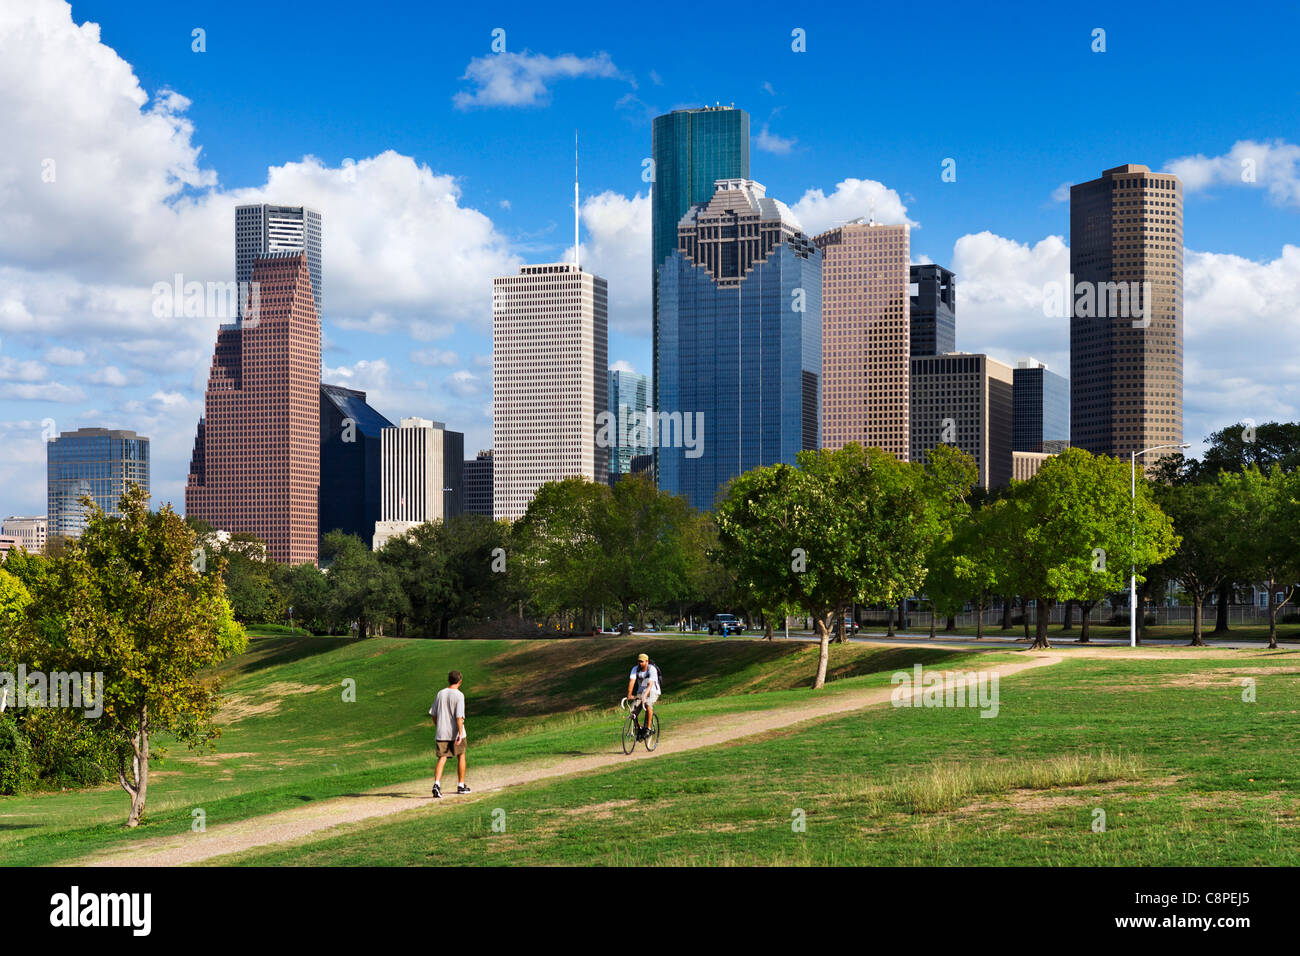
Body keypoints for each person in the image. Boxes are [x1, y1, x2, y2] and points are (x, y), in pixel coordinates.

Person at [429, 670, 470, 798]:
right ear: (460, 681)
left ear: (448, 680)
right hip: (455, 732)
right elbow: (459, 717)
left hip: (442, 732)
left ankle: (436, 784)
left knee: (442, 757)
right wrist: (459, 733)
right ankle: (461, 785)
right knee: (461, 755)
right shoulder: (459, 695)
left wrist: (439, 726)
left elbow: (433, 714)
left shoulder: (440, 693)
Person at [625, 653, 660, 740]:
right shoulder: (635, 669)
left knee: (648, 704)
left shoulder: (652, 669)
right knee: (632, 711)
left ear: (647, 662)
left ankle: (648, 728)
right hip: (641, 691)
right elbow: (632, 681)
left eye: (642, 662)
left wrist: (644, 697)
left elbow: (650, 684)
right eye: (638, 661)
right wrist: (629, 695)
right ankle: (639, 729)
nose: (639, 663)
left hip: (653, 691)